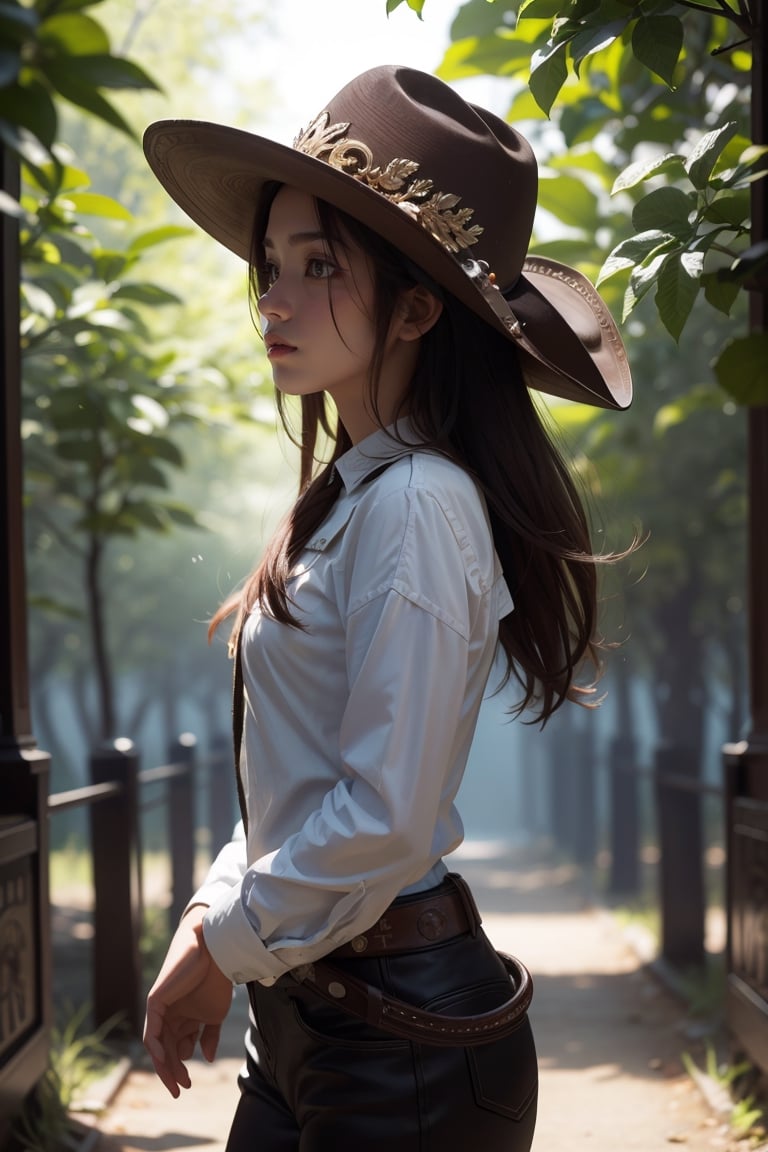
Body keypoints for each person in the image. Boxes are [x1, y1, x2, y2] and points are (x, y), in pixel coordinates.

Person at [141, 64, 632, 1152]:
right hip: (312, 1018)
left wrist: (225, 941)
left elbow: (384, 817)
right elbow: (294, 784)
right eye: (271, 263)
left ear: (417, 306)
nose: (274, 295)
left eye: (319, 266)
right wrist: (213, 923)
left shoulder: (421, 502)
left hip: (402, 1042)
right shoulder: (353, 495)